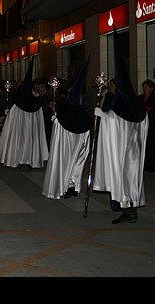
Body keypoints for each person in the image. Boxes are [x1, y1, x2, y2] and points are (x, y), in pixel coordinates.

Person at [92, 28, 147, 224]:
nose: (112, 89)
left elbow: (116, 122)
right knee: (127, 179)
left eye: (114, 87)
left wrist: (101, 115)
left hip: (125, 150)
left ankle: (130, 211)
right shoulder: (131, 103)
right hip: (131, 148)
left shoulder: (123, 103)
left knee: (125, 179)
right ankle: (128, 210)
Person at [43, 56, 92, 200]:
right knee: (77, 164)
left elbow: (60, 126)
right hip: (79, 145)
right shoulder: (82, 114)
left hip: (67, 145)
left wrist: (55, 119)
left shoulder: (65, 113)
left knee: (65, 164)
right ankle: (73, 186)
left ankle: (65, 186)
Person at [0, 55, 48, 168]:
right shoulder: (35, 102)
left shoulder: (19, 103)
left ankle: (19, 157)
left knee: (19, 139)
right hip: (31, 129)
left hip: (21, 128)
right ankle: (30, 158)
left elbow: (11, 123)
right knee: (30, 139)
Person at [141, 79, 155, 172]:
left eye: (146, 88)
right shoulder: (140, 97)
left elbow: (153, 109)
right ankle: (144, 165)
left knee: (152, 146)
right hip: (142, 124)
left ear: (151, 89)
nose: (144, 90)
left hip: (152, 125)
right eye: (143, 88)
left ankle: (151, 166)